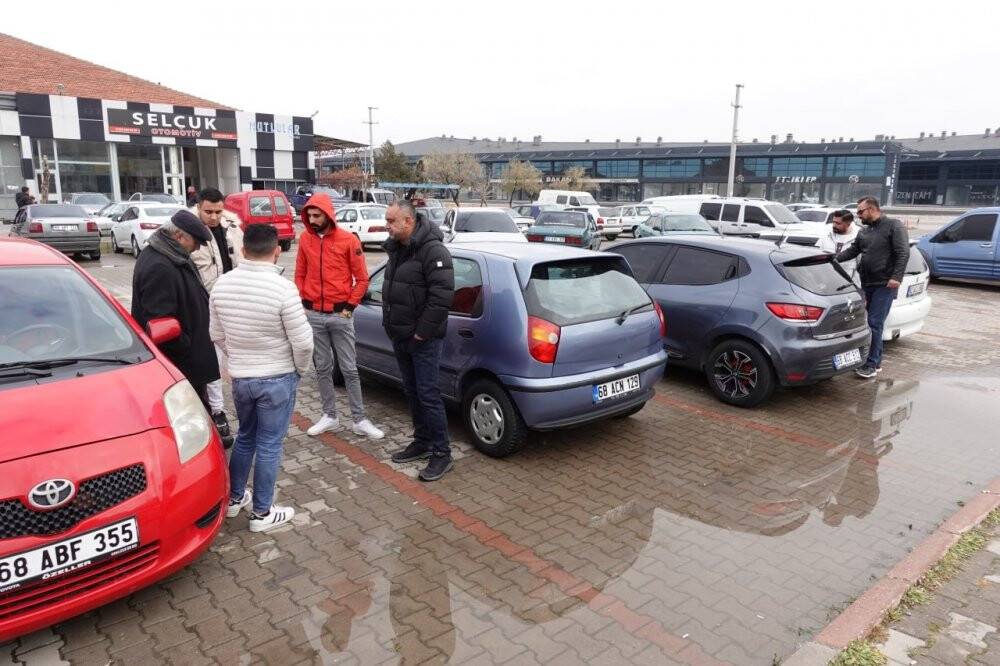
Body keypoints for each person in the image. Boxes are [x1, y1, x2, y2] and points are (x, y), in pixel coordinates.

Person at [209, 223, 313, 531]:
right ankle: (262, 513)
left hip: (242, 378)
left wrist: (239, 357)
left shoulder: (222, 284)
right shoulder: (283, 288)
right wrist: (299, 369)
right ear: (277, 251)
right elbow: (304, 342)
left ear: (243, 251)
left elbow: (216, 334)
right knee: (269, 444)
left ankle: (235, 498)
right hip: (277, 377)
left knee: (245, 438)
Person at [295, 192, 385, 440]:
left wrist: (349, 307)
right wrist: (305, 303)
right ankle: (329, 416)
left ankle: (359, 420)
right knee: (322, 368)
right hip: (314, 315)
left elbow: (363, 279)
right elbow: (300, 274)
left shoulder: (348, 241)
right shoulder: (305, 239)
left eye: (316, 215)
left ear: (328, 214)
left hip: (340, 316)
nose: (312, 220)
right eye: (309, 215)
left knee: (349, 369)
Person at [383, 200, 455, 482]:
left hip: (423, 339)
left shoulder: (433, 250)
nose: (386, 226)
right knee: (412, 392)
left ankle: (442, 453)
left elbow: (442, 297)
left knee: (428, 394)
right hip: (400, 335)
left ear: (408, 222)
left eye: (391, 221)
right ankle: (422, 441)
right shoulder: (398, 249)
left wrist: (421, 333)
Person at [131, 210, 219, 405]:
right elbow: (161, 323)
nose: (197, 249)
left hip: (186, 363)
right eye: (195, 243)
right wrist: (186, 348)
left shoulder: (170, 254)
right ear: (179, 236)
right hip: (180, 366)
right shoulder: (159, 265)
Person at [190, 187, 244, 447]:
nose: (213, 217)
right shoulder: (189, 231)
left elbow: (242, 259)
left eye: (218, 211)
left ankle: (241, 404)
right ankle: (217, 409)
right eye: (208, 211)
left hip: (234, 302)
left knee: (233, 357)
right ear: (198, 207)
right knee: (212, 360)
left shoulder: (232, 225)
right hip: (205, 304)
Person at [836, 197, 909, 379]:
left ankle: (872, 364)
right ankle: (874, 362)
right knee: (869, 324)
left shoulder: (894, 226)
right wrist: (832, 259)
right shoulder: (864, 232)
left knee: (875, 323)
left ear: (872, 209)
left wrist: (896, 277)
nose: (858, 215)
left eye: (860, 212)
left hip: (885, 284)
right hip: (867, 283)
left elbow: (903, 252)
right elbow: (852, 251)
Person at [819, 210, 860, 275]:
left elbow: (860, 265)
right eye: (833, 222)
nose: (834, 225)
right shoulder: (827, 234)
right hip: (826, 278)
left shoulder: (858, 237)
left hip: (848, 281)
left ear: (848, 224)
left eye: (838, 223)